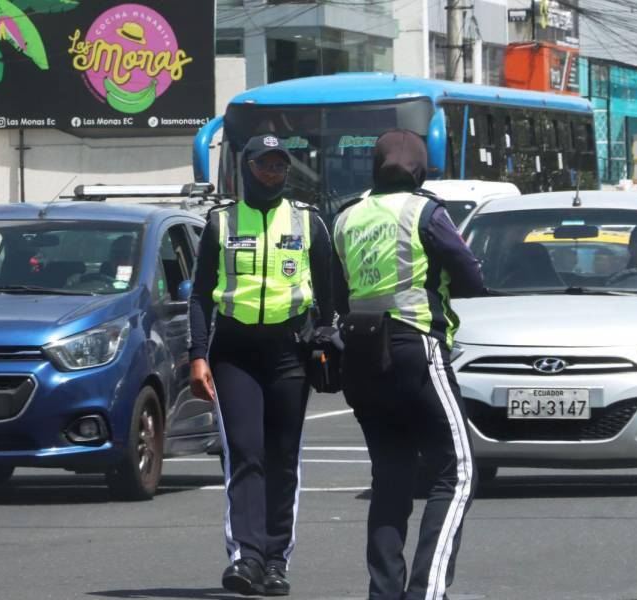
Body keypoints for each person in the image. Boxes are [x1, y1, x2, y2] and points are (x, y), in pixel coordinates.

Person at [332, 129, 485, 600]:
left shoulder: (345, 216)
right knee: (456, 471)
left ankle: (384, 593)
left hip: (360, 354)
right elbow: (470, 275)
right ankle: (426, 591)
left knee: (390, 475)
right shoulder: (427, 211)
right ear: (421, 168)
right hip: (416, 345)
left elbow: (337, 294)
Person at [188, 135, 333, 597]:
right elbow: (198, 295)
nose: (273, 172)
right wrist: (197, 355)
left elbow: (331, 297)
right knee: (245, 452)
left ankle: (275, 561)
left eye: (280, 165)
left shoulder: (309, 222)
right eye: (265, 165)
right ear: (246, 167)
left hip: (290, 353)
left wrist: (325, 342)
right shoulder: (220, 222)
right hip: (235, 352)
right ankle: (245, 557)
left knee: (283, 457)